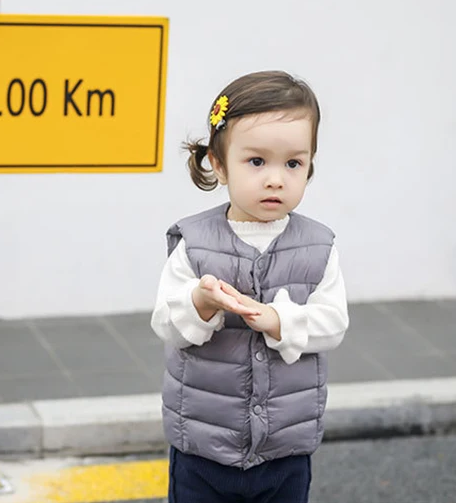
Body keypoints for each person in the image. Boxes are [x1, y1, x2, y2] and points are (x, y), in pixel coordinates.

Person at [150, 70, 350, 503]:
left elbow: (333, 323)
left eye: (293, 163)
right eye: (257, 162)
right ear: (219, 164)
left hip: (284, 449)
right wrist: (200, 302)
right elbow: (166, 322)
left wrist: (281, 320)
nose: (276, 178)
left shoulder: (318, 247)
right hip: (203, 448)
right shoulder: (194, 243)